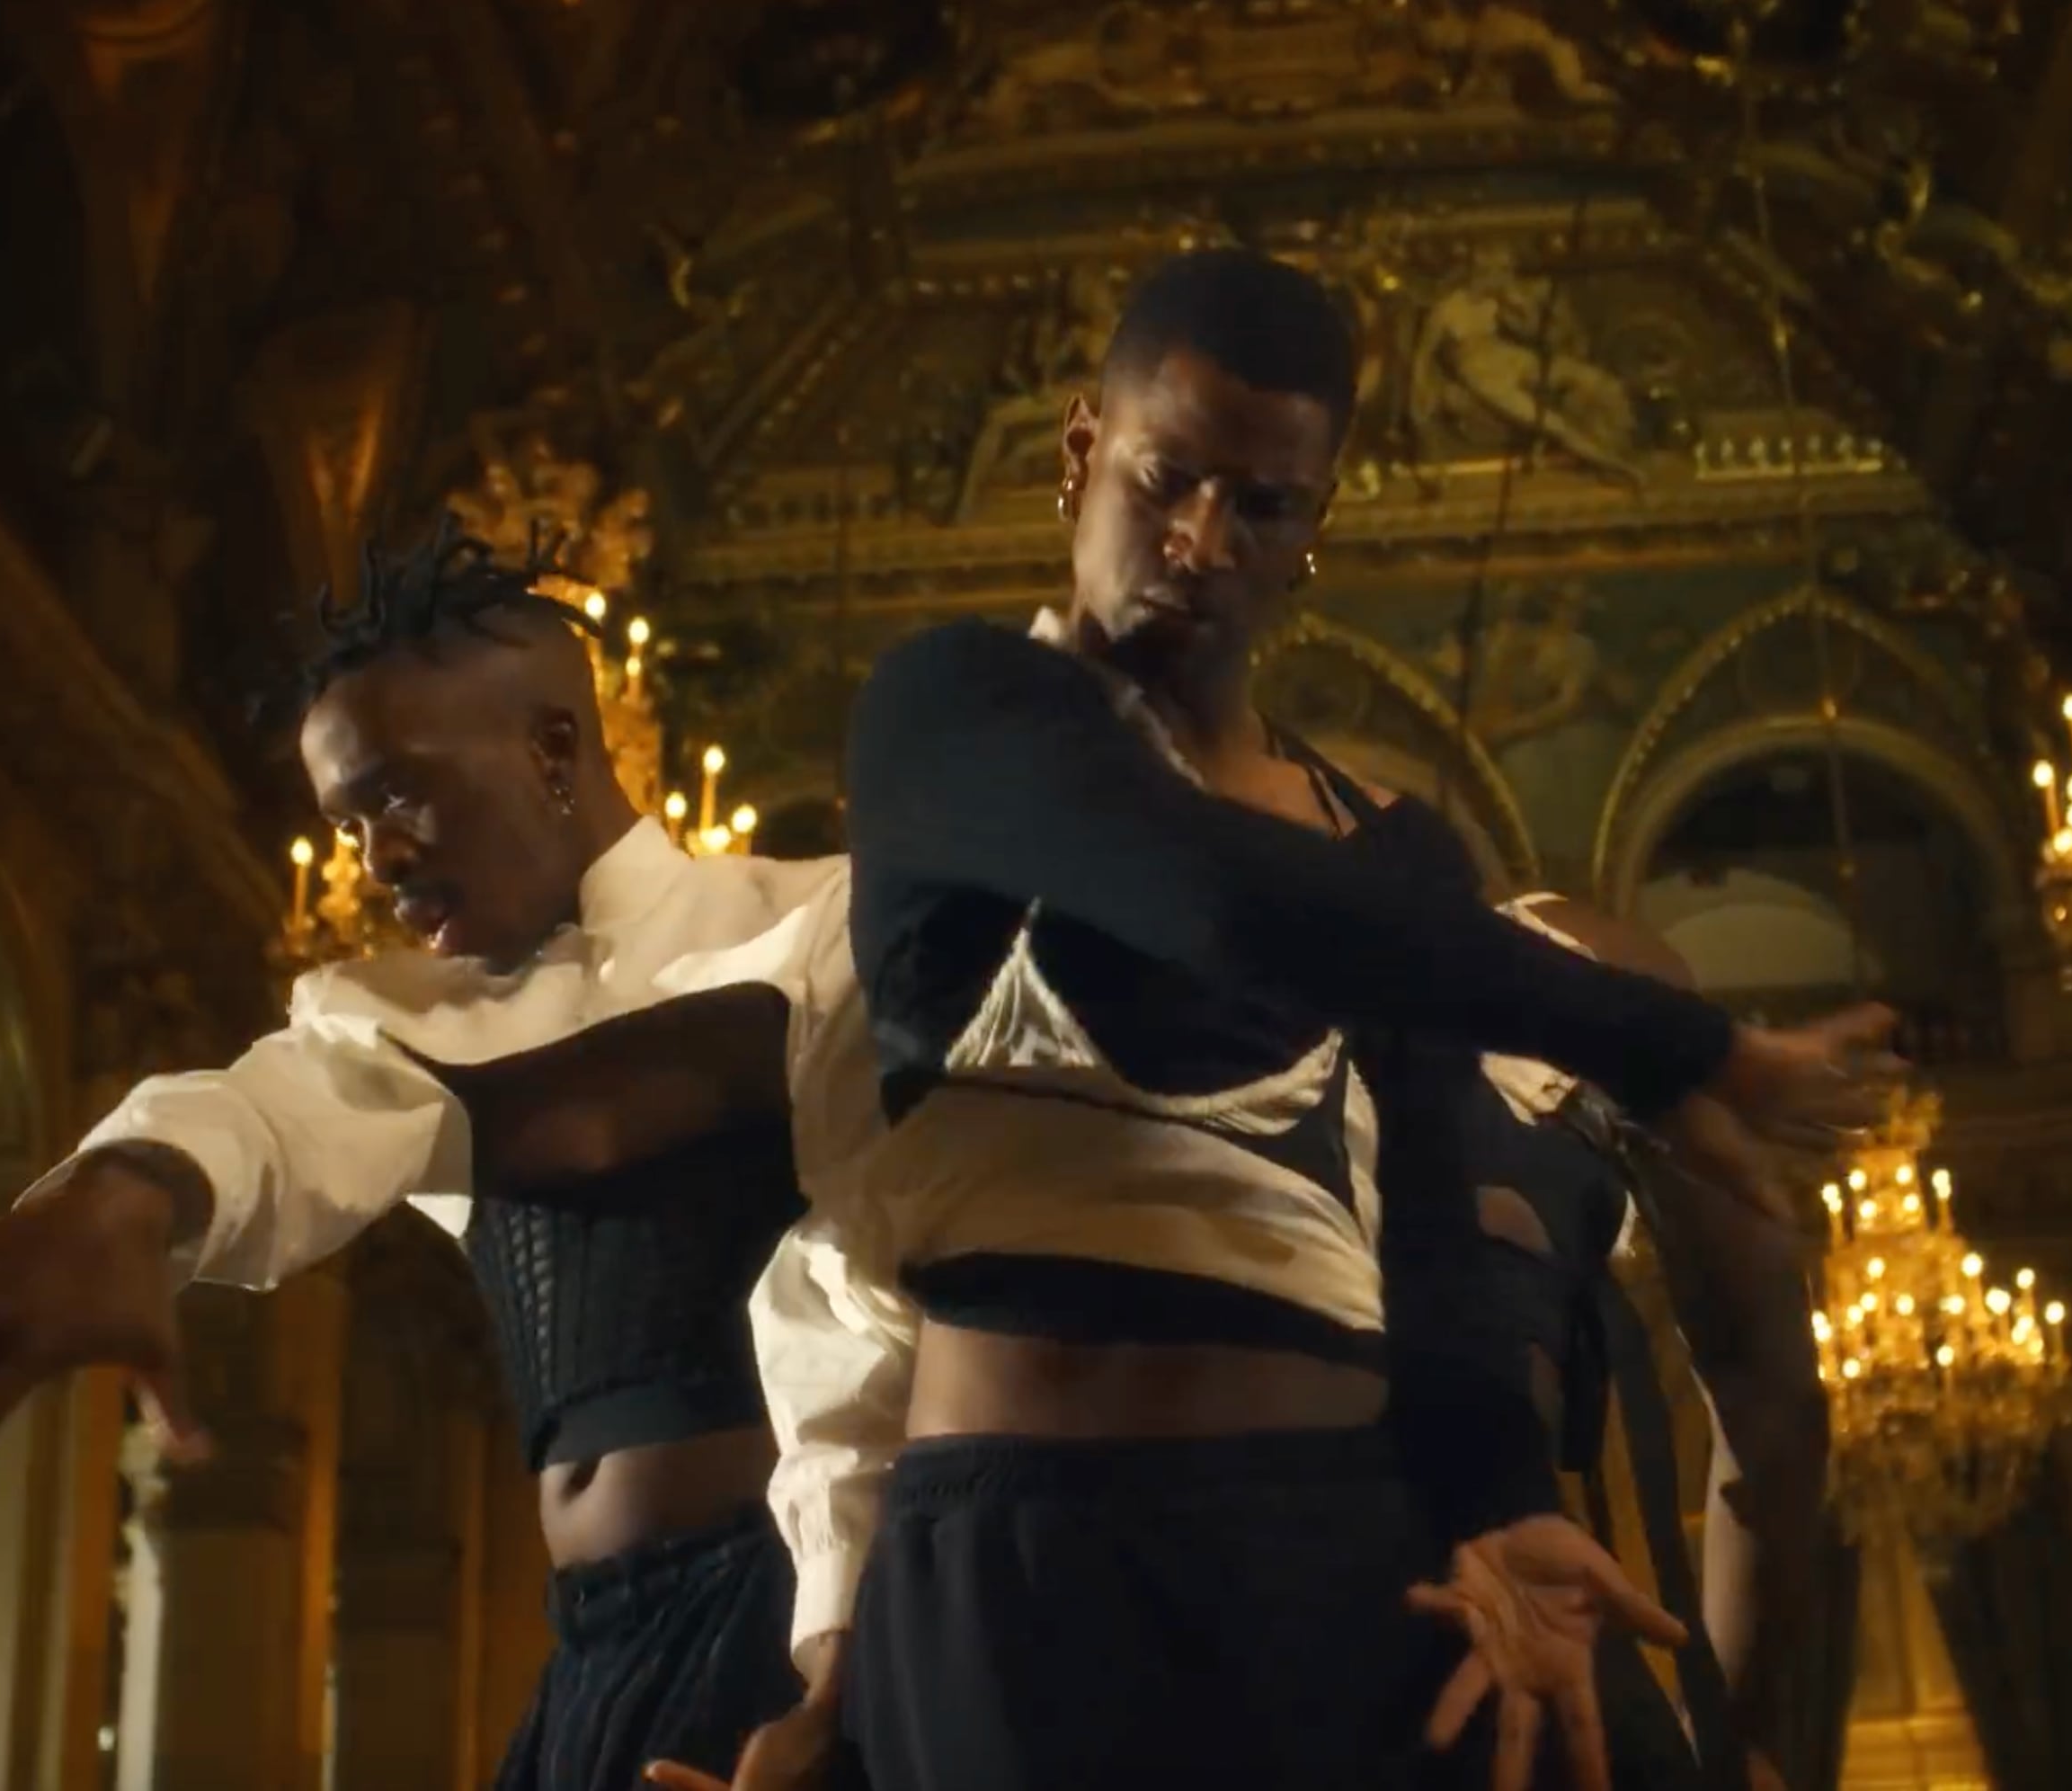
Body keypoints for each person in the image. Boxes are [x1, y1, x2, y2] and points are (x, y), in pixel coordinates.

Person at [726, 247, 1899, 1791]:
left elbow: (1429, 1250)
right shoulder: (954, 717)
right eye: (1164, 479)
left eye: (1260, 504)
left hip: (1341, 1542)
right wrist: (1681, 1044)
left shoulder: (1391, 853)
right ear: (1080, 453)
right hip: (1023, 1559)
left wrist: (1500, 1502)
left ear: (1312, 527)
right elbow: (1207, 894)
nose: (1202, 540)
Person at [0, 530, 842, 1791]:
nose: (375, 860)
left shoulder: (813, 921)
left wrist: (843, 1668)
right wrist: (126, 1195)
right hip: (590, 1648)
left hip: (793, 1617)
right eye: (345, 825)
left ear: (553, 747)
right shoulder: (397, 1016)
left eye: (397, 795)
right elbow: (270, 1116)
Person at [1425, 895, 1831, 1791]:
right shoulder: (1577, 957)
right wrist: (1732, 1730)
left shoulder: (1119, 952)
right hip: (1569, 1694)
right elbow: (1773, 1395)